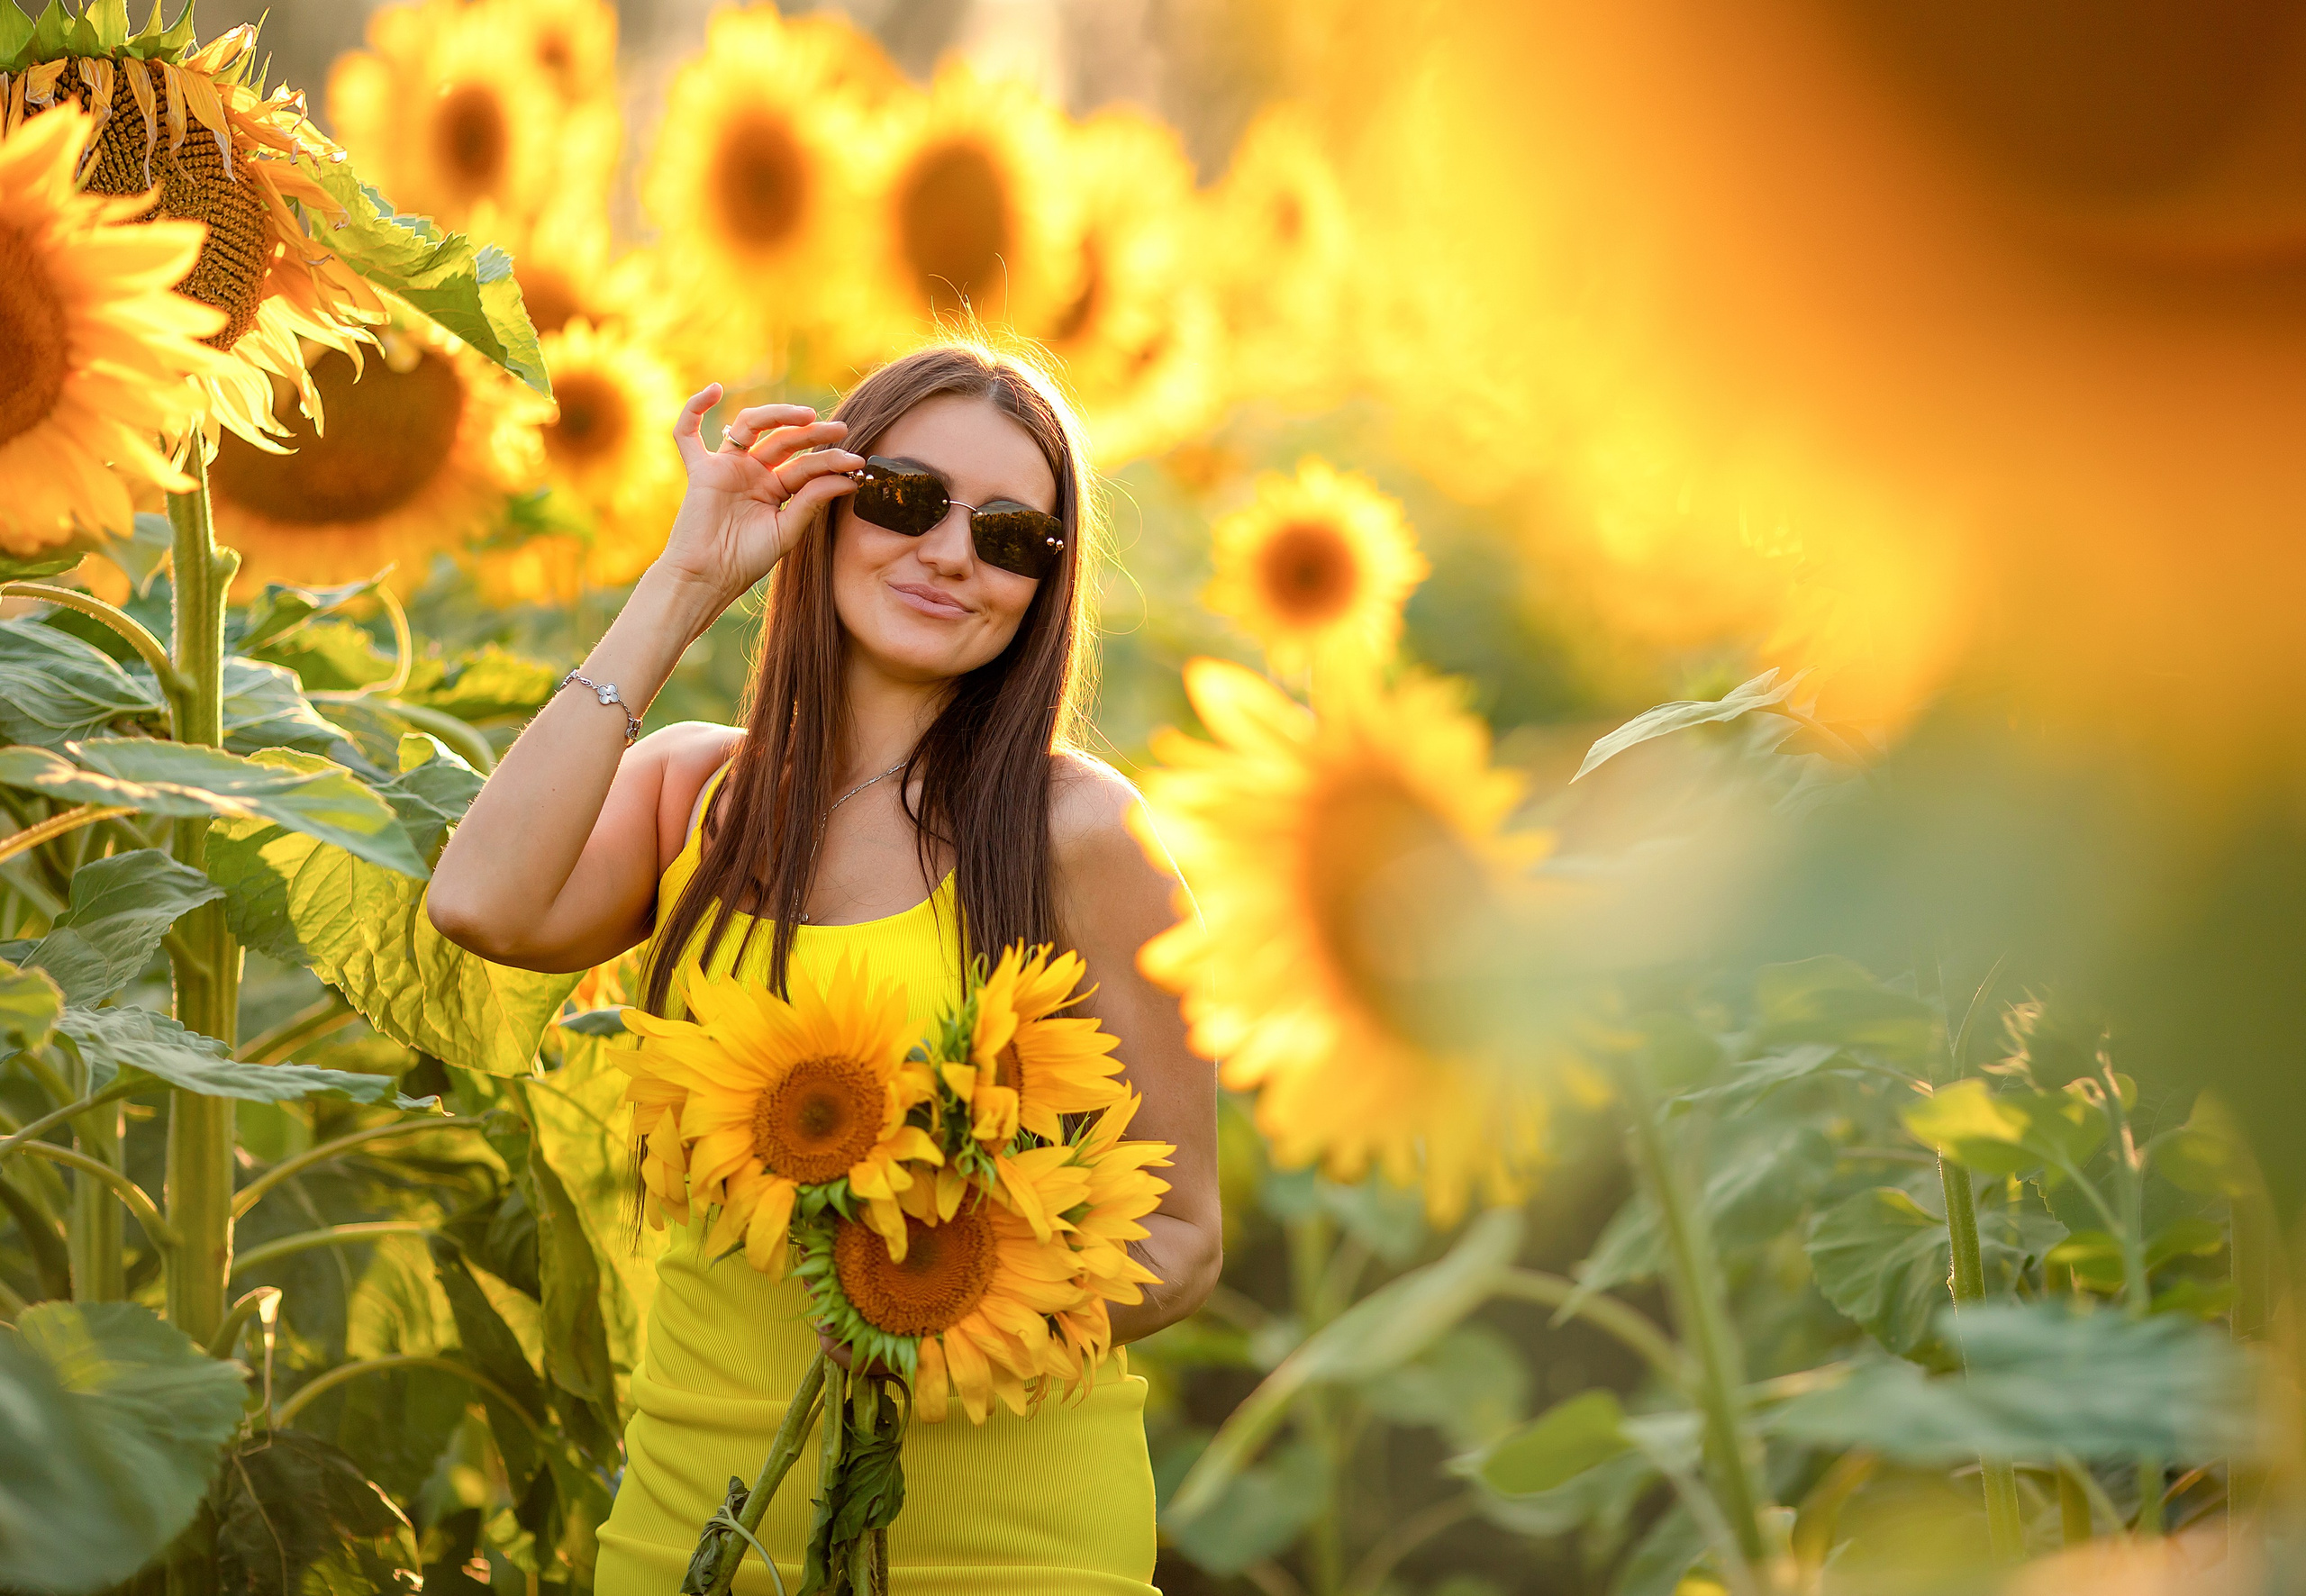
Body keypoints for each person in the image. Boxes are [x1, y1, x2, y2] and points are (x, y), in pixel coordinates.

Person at [427, 343, 1222, 1592]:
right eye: (907, 498)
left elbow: (1185, 1233)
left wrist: (949, 1305)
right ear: (828, 506)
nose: (955, 552)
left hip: (1008, 1539)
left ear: (1042, 586)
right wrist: (687, 577)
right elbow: (479, 902)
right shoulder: (697, 793)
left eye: (1013, 535)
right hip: (696, 1510)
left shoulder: (1082, 835)